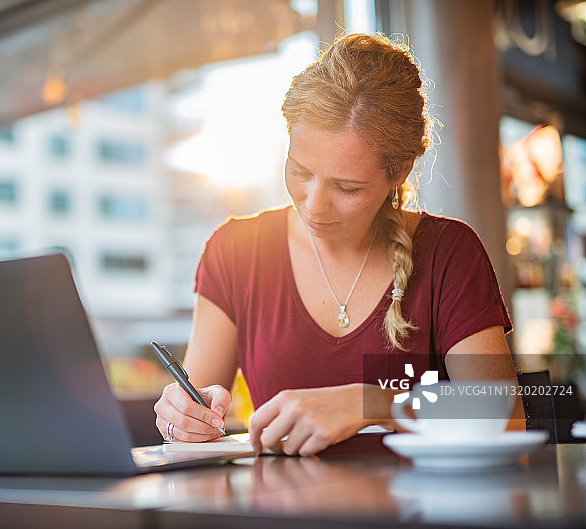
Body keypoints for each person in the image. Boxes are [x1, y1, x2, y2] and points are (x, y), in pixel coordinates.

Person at [153, 33, 524, 456]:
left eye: (347, 187)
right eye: (299, 171)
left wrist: (375, 404)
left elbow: (505, 417)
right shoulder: (235, 252)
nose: (314, 205)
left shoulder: (448, 253)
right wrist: (181, 421)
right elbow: (196, 418)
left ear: (399, 172)